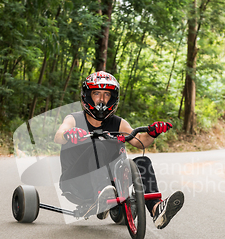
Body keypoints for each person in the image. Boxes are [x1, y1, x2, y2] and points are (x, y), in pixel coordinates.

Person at [54, 71, 184, 229]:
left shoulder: (119, 123)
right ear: (87, 96)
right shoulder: (73, 119)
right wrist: (69, 133)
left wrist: (152, 133)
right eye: (96, 93)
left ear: (112, 98)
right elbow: (58, 136)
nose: (101, 99)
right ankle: (103, 192)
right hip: (76, 181)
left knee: (143, 162)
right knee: (98, 144)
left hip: (110, 184)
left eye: (106, 94)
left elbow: (140, 141)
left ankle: (157, 208)